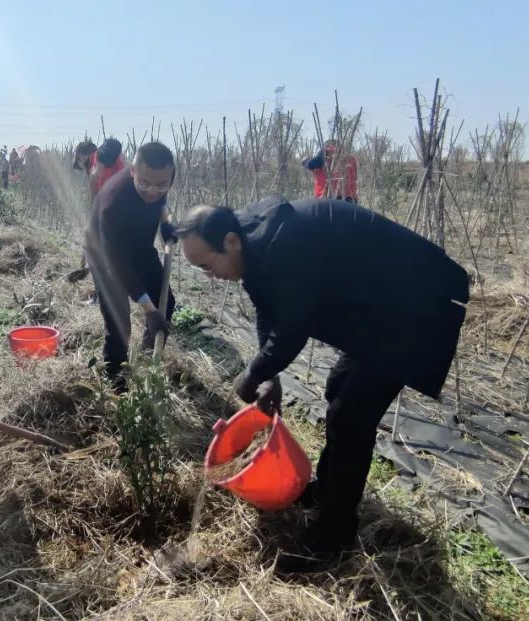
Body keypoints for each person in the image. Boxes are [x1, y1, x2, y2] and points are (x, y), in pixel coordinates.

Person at [175, 198, 469, 572]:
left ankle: (334, 536)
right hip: (378, 307)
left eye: (206, 265)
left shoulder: (285, 244)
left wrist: (252, 375)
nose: (208, 275)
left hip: (413, 306)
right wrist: (268, 375)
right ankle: (330, 492)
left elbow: (293, 324)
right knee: (339, 388)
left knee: (351, 413)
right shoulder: (252, 240)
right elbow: (268, 307)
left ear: (230, 242)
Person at [83, 141, 178, 389]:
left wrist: (167, 221)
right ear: (133, 171)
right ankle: (117, 383)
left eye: (161, 185)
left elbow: (161, 201)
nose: (152, 191)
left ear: (170, 176)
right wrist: (148, 310)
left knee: (165, 300)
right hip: (106, 256)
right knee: (118, 324)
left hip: (139, 248)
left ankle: (148, 359)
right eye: (145, 183)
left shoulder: (158, 180)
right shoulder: (112, 203)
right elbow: (119, 266)